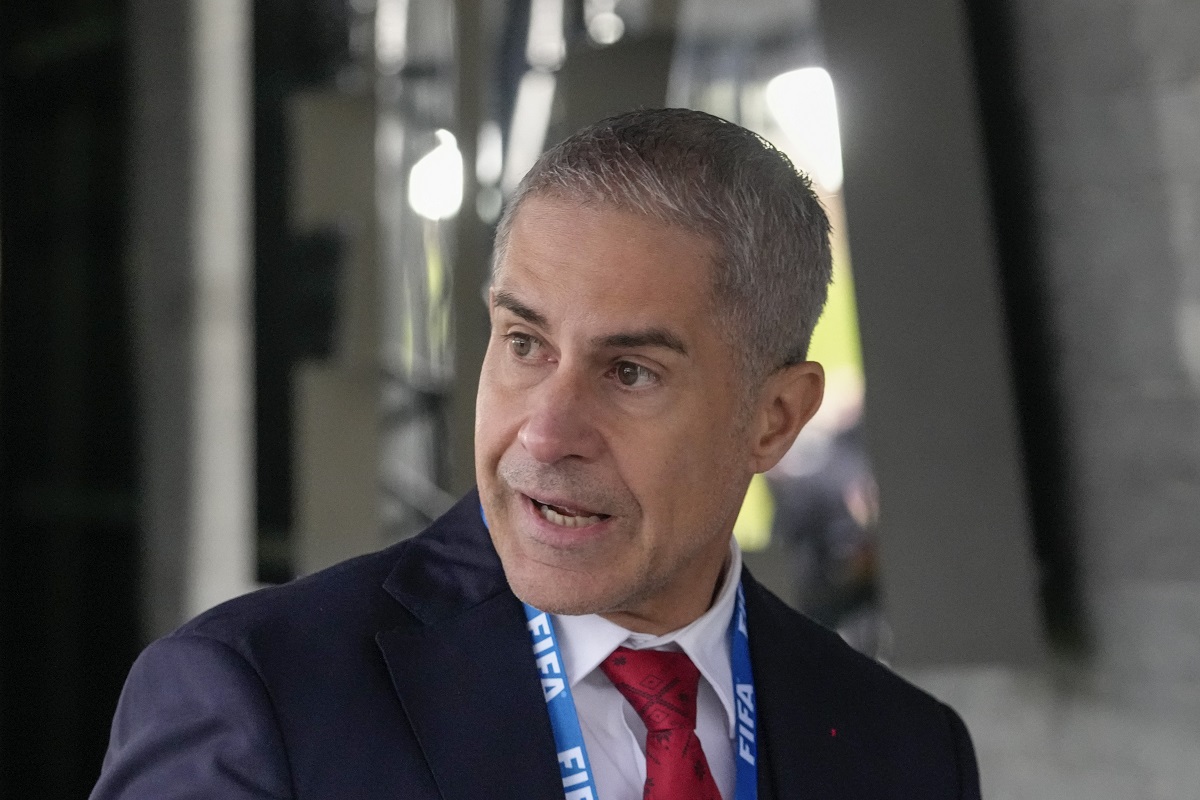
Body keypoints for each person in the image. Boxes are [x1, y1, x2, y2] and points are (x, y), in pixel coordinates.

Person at [91, 108, 981, 799]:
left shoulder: (905, 752)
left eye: (630, 372)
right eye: (524, 344)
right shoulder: (258, 699)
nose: (546, 434)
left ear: (775, 420)